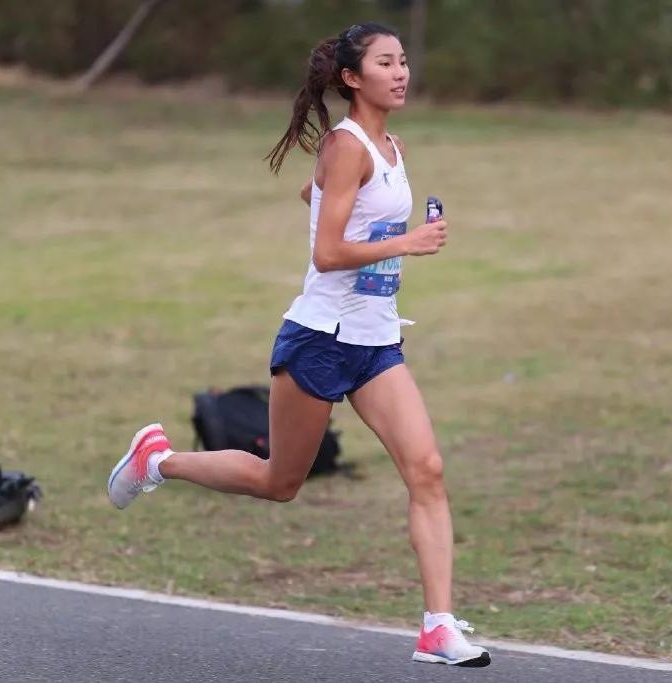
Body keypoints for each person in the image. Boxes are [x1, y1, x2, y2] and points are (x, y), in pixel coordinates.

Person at [106, 22, 490, 668]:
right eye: (386, 63)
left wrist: (337, 203)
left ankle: (437, 626)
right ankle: (157, 460)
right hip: (320, 339)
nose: (401, 73)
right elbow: (328, 250)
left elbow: (318, 197)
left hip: (375, 340)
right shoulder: (347, 146)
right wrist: (406, 243)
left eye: (403, 62)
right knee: (280, 481)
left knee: (427, 469)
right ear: (351, 78)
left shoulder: (388, 145)